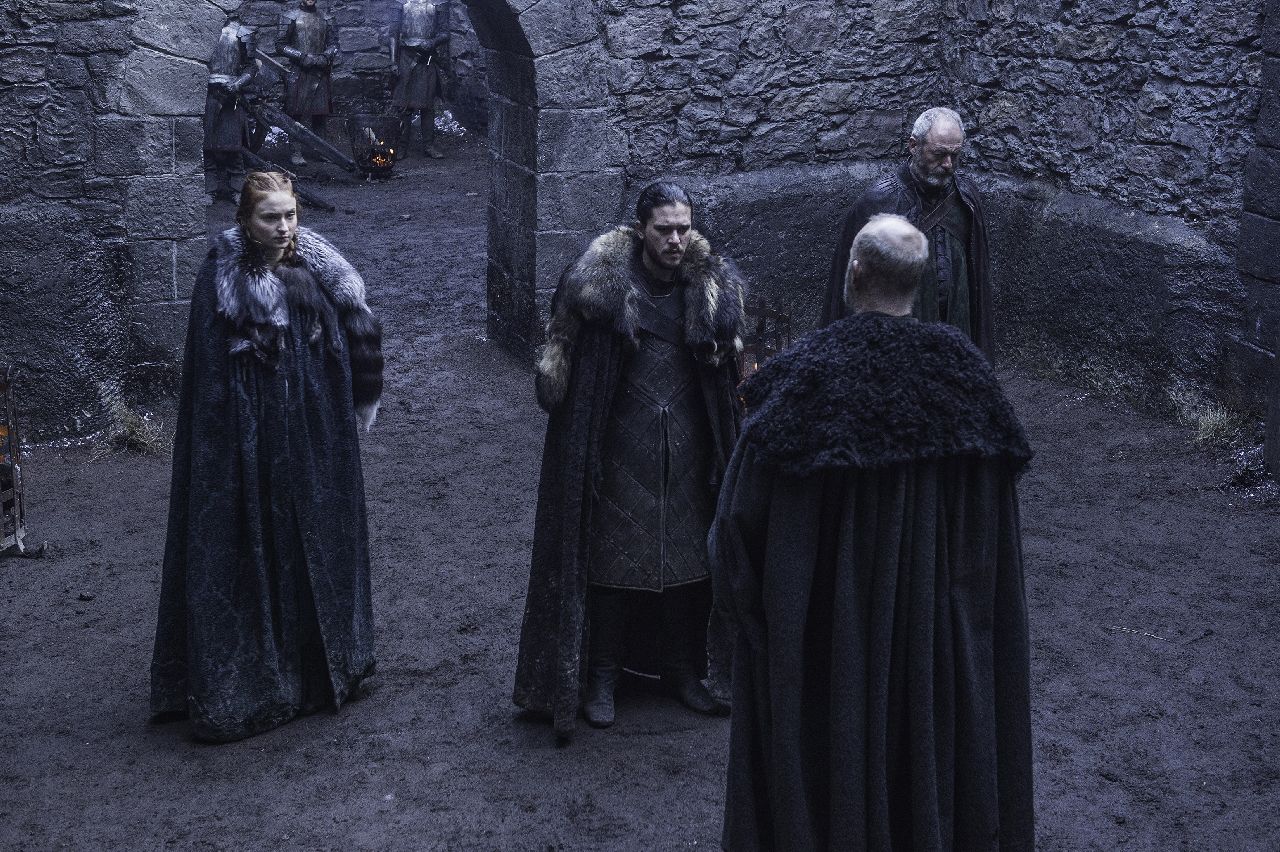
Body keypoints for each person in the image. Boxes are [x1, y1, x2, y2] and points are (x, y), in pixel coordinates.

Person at [713, 214, 1035, 849]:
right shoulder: (968, 382)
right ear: (919, 281)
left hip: (825, 653)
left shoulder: (802, 383)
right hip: (934, 651)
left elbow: (735, 533)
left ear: (853, 270)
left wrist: (756, 630)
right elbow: (992, 543)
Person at [150, 172, 384, 743]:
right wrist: (243, 434)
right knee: (255, 550)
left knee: (318, 542)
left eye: (290, 215)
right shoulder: (221, 279)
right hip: (247, 445)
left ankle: (324, 672)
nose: (283, 228)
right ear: (245, 220)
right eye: (269, 217)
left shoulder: (320, 270)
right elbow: (210, 381)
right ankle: (259, 684)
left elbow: (342, 348)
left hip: (315, 439)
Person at [514, 181, 746, 741]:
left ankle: (683, 671)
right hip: (617, 447)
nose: (675, 240)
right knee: (612, 560)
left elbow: (723, 373)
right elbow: (572, 379)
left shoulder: (709, 288)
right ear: (641, 228)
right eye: (664, 229)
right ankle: (601, 677)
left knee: (691, 560)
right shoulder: (601, 288)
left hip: (689, 446)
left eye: (683, 228)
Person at [822, 107, 995, 357]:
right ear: (914, 146)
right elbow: (850, 289)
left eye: (955, 155)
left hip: (955, 337)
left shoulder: (965, 197)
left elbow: (978, 281)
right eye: (939, 154)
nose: (948, 164)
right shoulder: (879, 201)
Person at [204, 14, 257, 201]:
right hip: (208, 93)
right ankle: (209, 189)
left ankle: (237, 189)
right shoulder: (204, 29)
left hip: (232, 95)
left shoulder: (242, 33)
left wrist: (237, 84)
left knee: (233, 145)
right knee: (208, 145)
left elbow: (251, 67)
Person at [278, 0, 337, 167]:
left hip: (320, 70)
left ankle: (323, 150)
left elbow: (334, 44)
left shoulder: (326, 18)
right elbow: (280, 45)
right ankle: (295, 151)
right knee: (295, 113)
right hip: (299, 71)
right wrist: (301, 56)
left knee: (320, 115)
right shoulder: (290, 17)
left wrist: (326, 56)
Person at [391, 0, 450, 159]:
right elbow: (394, 33)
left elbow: (445, 33)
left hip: (427, 58)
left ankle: (428, 145)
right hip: (406, 57)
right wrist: (393, 62)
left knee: (428, 105)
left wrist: (432, 42)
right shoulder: (401, 2)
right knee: (404, 105)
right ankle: (402, 146)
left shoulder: (438, 3)